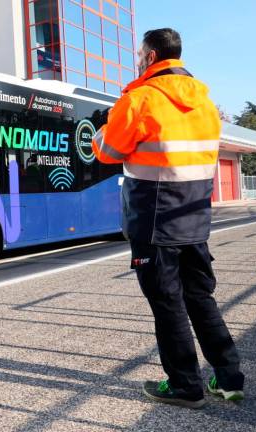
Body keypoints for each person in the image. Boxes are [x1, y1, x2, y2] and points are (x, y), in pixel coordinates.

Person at [93, 28, 244, 409]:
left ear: (151, 56)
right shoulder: (206, 102)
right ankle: (228, 377)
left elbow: (109, 150)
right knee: (200, 298)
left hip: (154, 220)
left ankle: (184, 386)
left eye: (140, 53)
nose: (137, 58)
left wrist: (100, 132)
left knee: (167, 303)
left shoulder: (140, 98)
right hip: (194, 216)